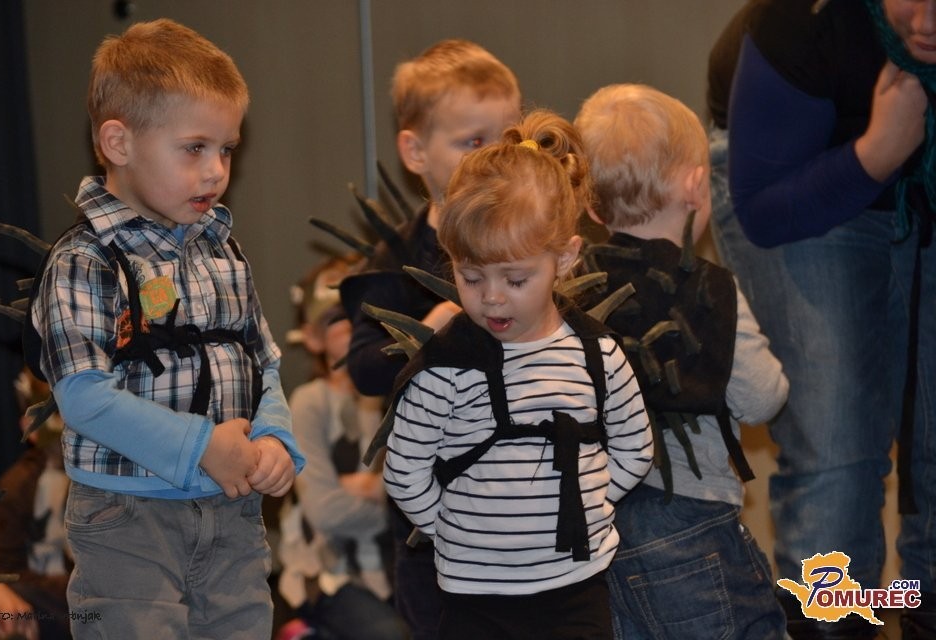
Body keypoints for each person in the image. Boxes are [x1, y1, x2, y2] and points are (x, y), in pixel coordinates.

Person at [29, 19, 304, 638]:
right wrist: (201, 446)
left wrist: (274, 439)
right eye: (194, 148)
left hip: (231, 512)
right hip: (128, 515)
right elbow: (84, 397)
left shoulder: (222, 249)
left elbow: (261, 362)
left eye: (226, 150)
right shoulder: (86, 259)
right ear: (118, 143)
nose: (215, 171)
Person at [707, 1, 936, 638]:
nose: (925, 22)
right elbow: (764, 213)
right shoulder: (806, 19)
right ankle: (833, 622)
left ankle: (921, 610)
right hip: (796, 177)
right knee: (839, 444)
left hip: (918, 178)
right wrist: (877, 154)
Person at [381, 110, 654, 640]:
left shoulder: (597, 354)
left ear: (565, 259)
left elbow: (635, 448)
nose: (492, 298)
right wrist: (452, 529)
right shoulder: (443, 367)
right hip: (473, 597)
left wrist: (590, 503)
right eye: (471, 276)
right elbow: (404, 469)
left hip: (576, 589)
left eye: (515, 279)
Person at [574, 83, 788, 639]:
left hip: (594, 523)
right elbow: (762, 397)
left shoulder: (569, 288)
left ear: (591, 205)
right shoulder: (711, 288)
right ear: (696, 185)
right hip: (690, 515)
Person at [338, 38, 521, 640]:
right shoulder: (395, 259)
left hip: (530, 504)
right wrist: (428, 331)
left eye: (507, 138)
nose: (494, 157)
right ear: (415, 151)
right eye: (473, 141)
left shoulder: (536, 245)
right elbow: (364, 367)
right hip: (433, 522)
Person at [277, 255, 408, 640]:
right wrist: (390, 500)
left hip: (395, 570)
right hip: (329, 575)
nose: (355, 325)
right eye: (338, 317)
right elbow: (327, 512)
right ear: (313, 337)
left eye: (366, 315)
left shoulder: (397, 397)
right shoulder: (310, 402)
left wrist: (370, 488)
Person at [0, 367, 72, 640]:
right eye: (55, 415)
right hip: (50, 601)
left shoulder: (101, 479)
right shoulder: (19, 485)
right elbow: (3, 567)